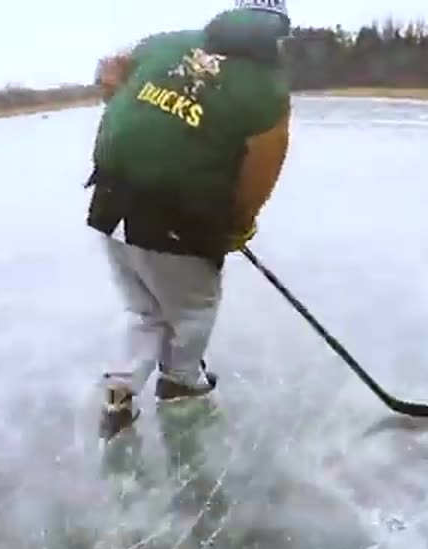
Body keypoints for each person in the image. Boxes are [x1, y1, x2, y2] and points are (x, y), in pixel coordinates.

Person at [87, 0, 293, 440]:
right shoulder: (268, 90)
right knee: (194, 309)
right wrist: (238, 224)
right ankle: (180, 381)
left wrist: (117, 87)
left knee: (144, 310)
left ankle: (120, 388)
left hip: (109, 201)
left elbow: (110, 74)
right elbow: (261, 170)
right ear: (278, 31)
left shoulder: (165, 44)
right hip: (177, 221)